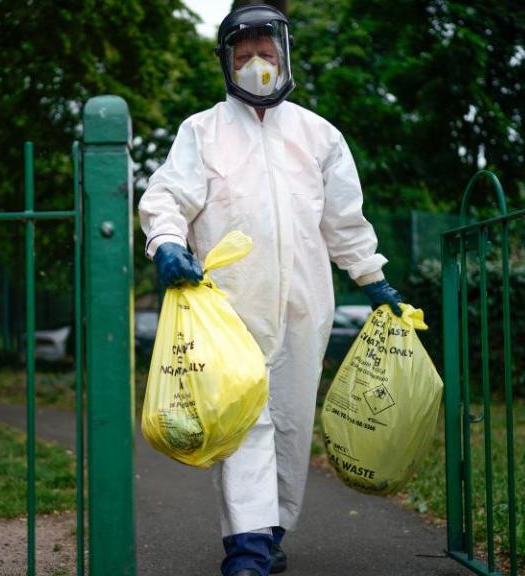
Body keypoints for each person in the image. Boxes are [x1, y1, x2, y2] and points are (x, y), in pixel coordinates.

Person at [138, 4, 404, 576]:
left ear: (284, 56)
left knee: (289, 418)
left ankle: (273, 528)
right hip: (228, 306)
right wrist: (165, 242)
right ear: (226, 64)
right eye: (244, 56)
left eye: (266, 54)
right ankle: (248, 547)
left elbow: (344, 221)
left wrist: (373, 278)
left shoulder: (318, 135)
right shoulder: (201, 131)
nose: (257, 65)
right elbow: (167, 197)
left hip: (306, 303)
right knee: (245, 418)